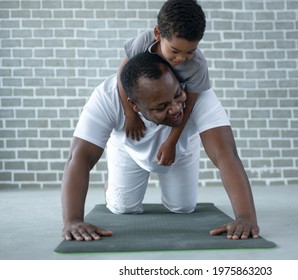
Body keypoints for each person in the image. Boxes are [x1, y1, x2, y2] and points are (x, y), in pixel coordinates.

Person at [61, 53, 259, 241]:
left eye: (177, 95)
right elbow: (79, 157)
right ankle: (111, 184)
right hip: (128, 146)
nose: (175, 108)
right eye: (161, 106)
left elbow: (226, 155)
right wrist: (73, 220)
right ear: (134, 105)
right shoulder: (106, 98)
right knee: (123, 208)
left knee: (183, 208)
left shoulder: (200, 94)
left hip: (180, 147)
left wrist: (245, 218)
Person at [117, 0, 208, 167]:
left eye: (190, 51)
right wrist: (129, 114)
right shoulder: (144, 42)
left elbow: (188, 108)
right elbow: (123, 75)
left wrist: (171, 142)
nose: (181, 58)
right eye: (174, 50)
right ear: (157, 34)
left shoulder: (197, 66)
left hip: (176, 105)